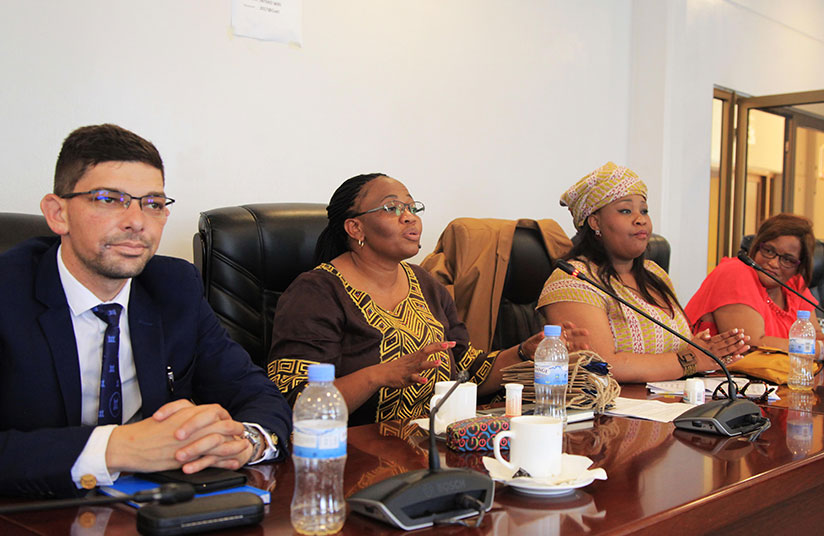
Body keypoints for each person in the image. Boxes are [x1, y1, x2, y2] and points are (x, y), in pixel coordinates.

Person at [0, 124, 291, 497]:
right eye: (109, 199)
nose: (137, 222)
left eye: (153, 204)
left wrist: (248, 441)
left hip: (152, 508)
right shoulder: (9, 292)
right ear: (58, 214)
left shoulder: (174, 287)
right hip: (30, 512)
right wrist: (117, 448)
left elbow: (257, 394)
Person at [268, 173, 587, 426]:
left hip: (430, 446)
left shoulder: (424, 283)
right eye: (392, 208)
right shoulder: (316, 292)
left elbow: (465, 371)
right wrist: (377, 375)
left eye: (412, 208)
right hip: (352, 453)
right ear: (355, 227)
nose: (409, 218)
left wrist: (522, 352)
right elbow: (294, 401)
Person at [538, 162, 749, 382]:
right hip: (616, 403)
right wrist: (691, 359)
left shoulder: (654, 273)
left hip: (672, 397)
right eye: (625, 210)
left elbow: (681, 351)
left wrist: (704, 350)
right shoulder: (573, 280)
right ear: (595, 222)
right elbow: (600, 365)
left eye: (644, 211)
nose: (641, 219)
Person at [685, 213, 824, 357]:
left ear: (799, 266)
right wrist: (818, 350)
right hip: (720, 371)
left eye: (787, 260)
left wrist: (817, 347)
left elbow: (816, 335)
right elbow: (753, 345)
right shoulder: (734, 272)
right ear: (757, 246)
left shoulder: (794, 284)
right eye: (768, 251)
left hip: (784, 370)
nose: (773, 263)